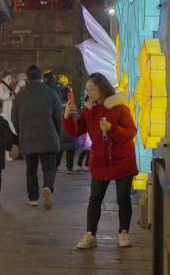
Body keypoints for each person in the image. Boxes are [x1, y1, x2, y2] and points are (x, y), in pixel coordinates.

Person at [62, 72, 138, 249]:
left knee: (123, 198)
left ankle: (124, 232)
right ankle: (90, 234)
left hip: (122, 160)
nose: (89, 93)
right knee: (95, 198)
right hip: (100, 162)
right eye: (87, 89)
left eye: (92, 89)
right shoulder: (90, 112)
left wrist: (112, 129)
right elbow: (75, 131)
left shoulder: (121, 108)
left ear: (102, 88)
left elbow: (131, 133)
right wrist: (66, 116)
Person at [11, 65, 64, 210]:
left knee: (31, 169)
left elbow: (14, 117)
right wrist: (57, 134)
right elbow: (59, 116)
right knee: (49, 167)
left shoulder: (20, 96)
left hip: (28, 138)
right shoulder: (51, 93)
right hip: (48, 135)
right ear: (41, 77)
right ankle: (47, 187)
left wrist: (21, 131)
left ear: (27, 78)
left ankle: (33, 198)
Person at [56, 87, 78, 173]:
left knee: (59, 150)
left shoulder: (57, 104)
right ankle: (69, 168)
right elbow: (75, 117)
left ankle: (56, 166)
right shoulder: (71, 104)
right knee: (70, 151)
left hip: (60, 130)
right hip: (70, 130)